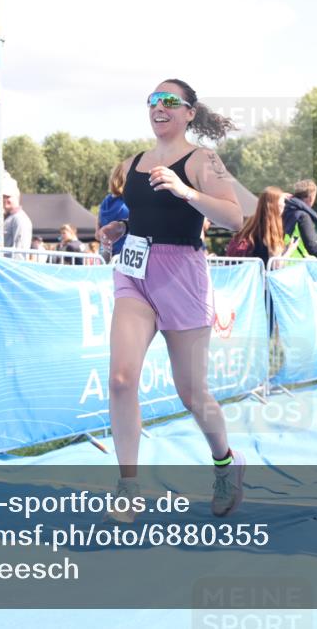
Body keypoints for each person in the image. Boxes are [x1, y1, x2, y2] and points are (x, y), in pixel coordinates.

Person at [96, 79, 245, 518]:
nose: (158, 107)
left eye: (169, 101)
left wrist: (186, 192)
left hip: (183, 276)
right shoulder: (134, 162)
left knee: (193, 394)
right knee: (122, 380)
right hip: (135, 274)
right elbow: (144, 218)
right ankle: (128, 487)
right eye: (153, 101)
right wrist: (118, 231)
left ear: (188, 113)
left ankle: (225, 464)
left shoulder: (204, 159)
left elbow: (235, 218)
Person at [227, 186, 286, 263]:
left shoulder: (251, 224)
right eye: (282, 202)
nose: (284, 205)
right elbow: (276, 265)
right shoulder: (271, 230)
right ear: (275, 206)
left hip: (243, 272)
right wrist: (289, 250)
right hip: (259, 274)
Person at [97, 162, 130, 257]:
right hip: (124, 256)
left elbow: (97, 234)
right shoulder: (128, 202)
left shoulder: (105, 201)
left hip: (105, 254)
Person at [2, 171, 32, 259]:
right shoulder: (10, 217)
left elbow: (20, 249)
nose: (5, 200)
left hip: (9, 268)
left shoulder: (19, 218)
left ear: (17, 197)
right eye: (3, 197)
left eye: (8, 196)